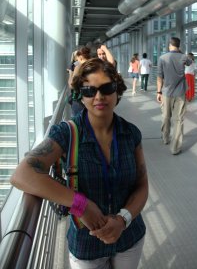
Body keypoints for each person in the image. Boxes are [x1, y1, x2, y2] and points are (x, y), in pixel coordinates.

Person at [10, 58, 148, 269]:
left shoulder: (131, 133)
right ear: (79, 97)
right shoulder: (67, 134)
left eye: (107, 88)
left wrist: (123, 220)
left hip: (129, 236)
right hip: (86, 245)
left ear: (117, 91)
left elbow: (142, 185)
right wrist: (81, 205)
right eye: (89, 91)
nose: (99, 96)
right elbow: (22, 175)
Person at [156, 37, 191, 155]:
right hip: (180, 93)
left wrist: (158, 92)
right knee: (179, 120)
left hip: (166, 93)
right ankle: (175, 148)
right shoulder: (183, 57)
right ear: (179, 45)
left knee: (166, 116)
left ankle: (165, 138)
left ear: (169, 45)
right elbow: (190, 62)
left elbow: (159, 77)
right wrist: (181, 53)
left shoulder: (162, 58)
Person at [70, 46, 92, 115]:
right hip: (91, 98)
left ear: (80, 57)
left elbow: (71, 85)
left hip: (80, 101)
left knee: (79, 122)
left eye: (77, 59)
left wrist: (71, 73)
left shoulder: (78, 67)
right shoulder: (93, 64)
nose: (77, 61)